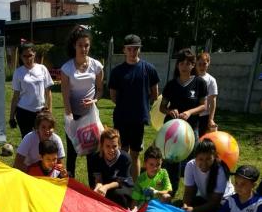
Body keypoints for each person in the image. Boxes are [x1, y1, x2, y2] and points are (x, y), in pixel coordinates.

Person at [109, 34, 159, 181]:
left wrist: (141, 104)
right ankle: (123, 182)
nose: (132, 52)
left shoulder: (149, 69)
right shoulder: (117, 71)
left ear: (139, 50)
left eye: (135, 49)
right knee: (122, 152)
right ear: (124, 50)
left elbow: (155, 94)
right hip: (122, 118)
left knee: (135, 153)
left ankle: (135, 186)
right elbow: (113, 96)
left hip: (138, 118)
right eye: (129, 49)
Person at [160, 48, 207, 195]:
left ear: (193, 65)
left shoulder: (200, 83)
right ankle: (169, 192)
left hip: (191, 129)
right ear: (177, 65)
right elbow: (162, 107)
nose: (184, 66)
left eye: (188, 63)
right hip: (172, 130)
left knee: (194, 162)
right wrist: (169, 111)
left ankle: (193, 194)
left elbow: (204, 105)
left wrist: (189, 112)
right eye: (181, 63)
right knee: (171, 161)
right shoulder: (171, 84)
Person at [61, 25, 103, 187]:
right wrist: (70, 117)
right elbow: (65, 95)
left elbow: (100, 90)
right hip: (73, 116)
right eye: (80, 45)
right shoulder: (66, 68)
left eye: (86, 45)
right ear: (74, 46)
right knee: (72, 153)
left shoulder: (97, 66)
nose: (83, 49)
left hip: (90, 117)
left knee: (92, 154)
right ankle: (69, 186)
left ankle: (93, 188)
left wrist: (94, 101)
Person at [9, 43, 53, 138]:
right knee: (27, 140)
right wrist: (11, 117)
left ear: (34, 54)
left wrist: (49, 110)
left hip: (40, 112)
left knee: (42, 139)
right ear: (20, 56)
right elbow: (15, 96)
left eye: (30, 55)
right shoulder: (18, 72)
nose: (28, 58)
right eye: (24, 56)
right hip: (23, 112)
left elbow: (48, 92)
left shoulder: (42, 69)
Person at [182, 138, 233, 212]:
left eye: (208, 159)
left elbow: (215, 202)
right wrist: (185, 206)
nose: (204, 163)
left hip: (223, 203)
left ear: (215, 157)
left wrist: (194, 210)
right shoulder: (190, 165)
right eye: (200, 159)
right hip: (206, 199)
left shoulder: (220, 169)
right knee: (179, 207)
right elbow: (188, 192)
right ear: (195, 158)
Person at [92, 127, 133, 208]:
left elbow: (120, 182)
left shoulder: (125, 158)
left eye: (114, 146)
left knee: (118, 195)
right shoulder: (96, 158)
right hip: (105, 185)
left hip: (123, 186)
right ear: (102, 146)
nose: (111, 150)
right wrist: (98, 186)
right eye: (107, 146)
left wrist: (106, 187)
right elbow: (99, 179)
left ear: (119, 145)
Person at [130, 145, 172, 212]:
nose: (155, 168)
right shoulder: (141, 179)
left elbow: (169, 191)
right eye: (151, 164)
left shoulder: (163, 173)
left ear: (162, 163)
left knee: (166, 196)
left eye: (158, 165)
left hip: (159, 206)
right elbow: (135, 200)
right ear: (145, 164)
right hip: (145, 208)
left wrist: (156, 192)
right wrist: (134, 209)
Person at [196, 52, 218, 136]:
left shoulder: (211, 80)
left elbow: (213, 100)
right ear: (196, 64)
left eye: (204, 64)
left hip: (203, 116)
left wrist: (211, 119)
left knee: (200, 138)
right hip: (190, 114)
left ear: (208, 63)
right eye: (199, 64)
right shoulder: (190, 77)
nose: (202, 67)